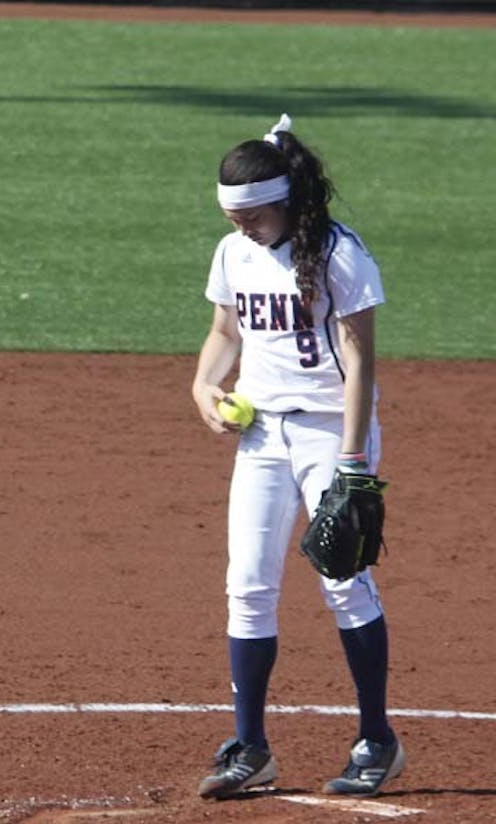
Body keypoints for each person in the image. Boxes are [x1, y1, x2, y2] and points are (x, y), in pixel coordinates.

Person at [191, 114, 405, 800]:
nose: (243, 227)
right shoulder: (234, 253)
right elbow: (225, 329)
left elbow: (360, 360)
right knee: (247, 586)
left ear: (288, 200)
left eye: (253, 214)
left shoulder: (342, 254)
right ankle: (250, 747)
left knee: (343, 581)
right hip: (261, 437)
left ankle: (378, 739)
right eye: (233, 215)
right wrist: (202, 384)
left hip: (327, 433)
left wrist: (351, 460)